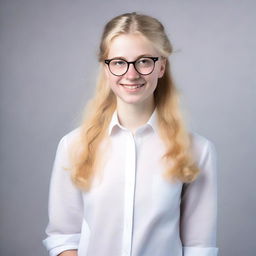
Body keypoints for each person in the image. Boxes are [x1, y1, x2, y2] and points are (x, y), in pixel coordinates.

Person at [42, 12, 219, 256]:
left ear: (161, 66)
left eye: (144, 61)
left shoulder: (198, 151)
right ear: (106, 68)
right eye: (118, 62)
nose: (131, 74)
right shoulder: (73, 146)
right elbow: (64, 238)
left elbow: (199, 249)